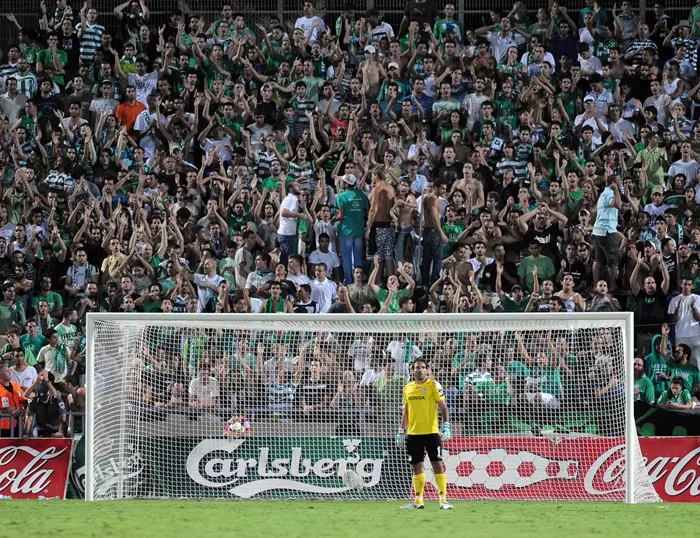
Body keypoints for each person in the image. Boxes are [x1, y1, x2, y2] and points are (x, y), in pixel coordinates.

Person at [396, 358, 452, 510]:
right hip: (413, 434)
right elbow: (406, 411)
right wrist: (401, 430)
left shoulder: (433, 385)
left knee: (437, 464)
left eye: (422, 367)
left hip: (431, 432)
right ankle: (418, 501)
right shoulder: (407, 388)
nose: (419, 370)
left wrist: (446, 425)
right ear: (412, 371)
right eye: (416, 367)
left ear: (427, 369)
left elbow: (443, 407)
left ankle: (443, 500)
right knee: (417, 466)